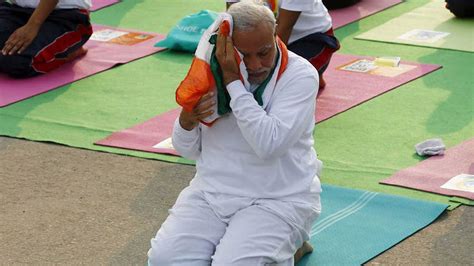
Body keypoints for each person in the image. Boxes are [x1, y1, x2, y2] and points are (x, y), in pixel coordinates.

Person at [147, 1, 323, 265]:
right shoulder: (210, 71)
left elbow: (268, 145)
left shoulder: (300, 75)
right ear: (226, 48)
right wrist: (186, 120)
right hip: (212, 192)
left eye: (264, 52)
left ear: (275, 35)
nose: (255, 64)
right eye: (244, 55)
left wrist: (234, 83)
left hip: (277, 199)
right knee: (164, 261)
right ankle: (275, 250)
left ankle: (289, 245)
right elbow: (188, 150)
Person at [226, 0, 339, 90]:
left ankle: (315, 72)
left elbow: (284, 29)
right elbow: (234, 24)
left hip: (311, 38)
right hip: (261, 41)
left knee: (284, 84)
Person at [0, 0, 92, 78]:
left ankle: (68, 53)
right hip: (17, 10)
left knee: (15, 62)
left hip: (65, 16)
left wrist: (32, 26)